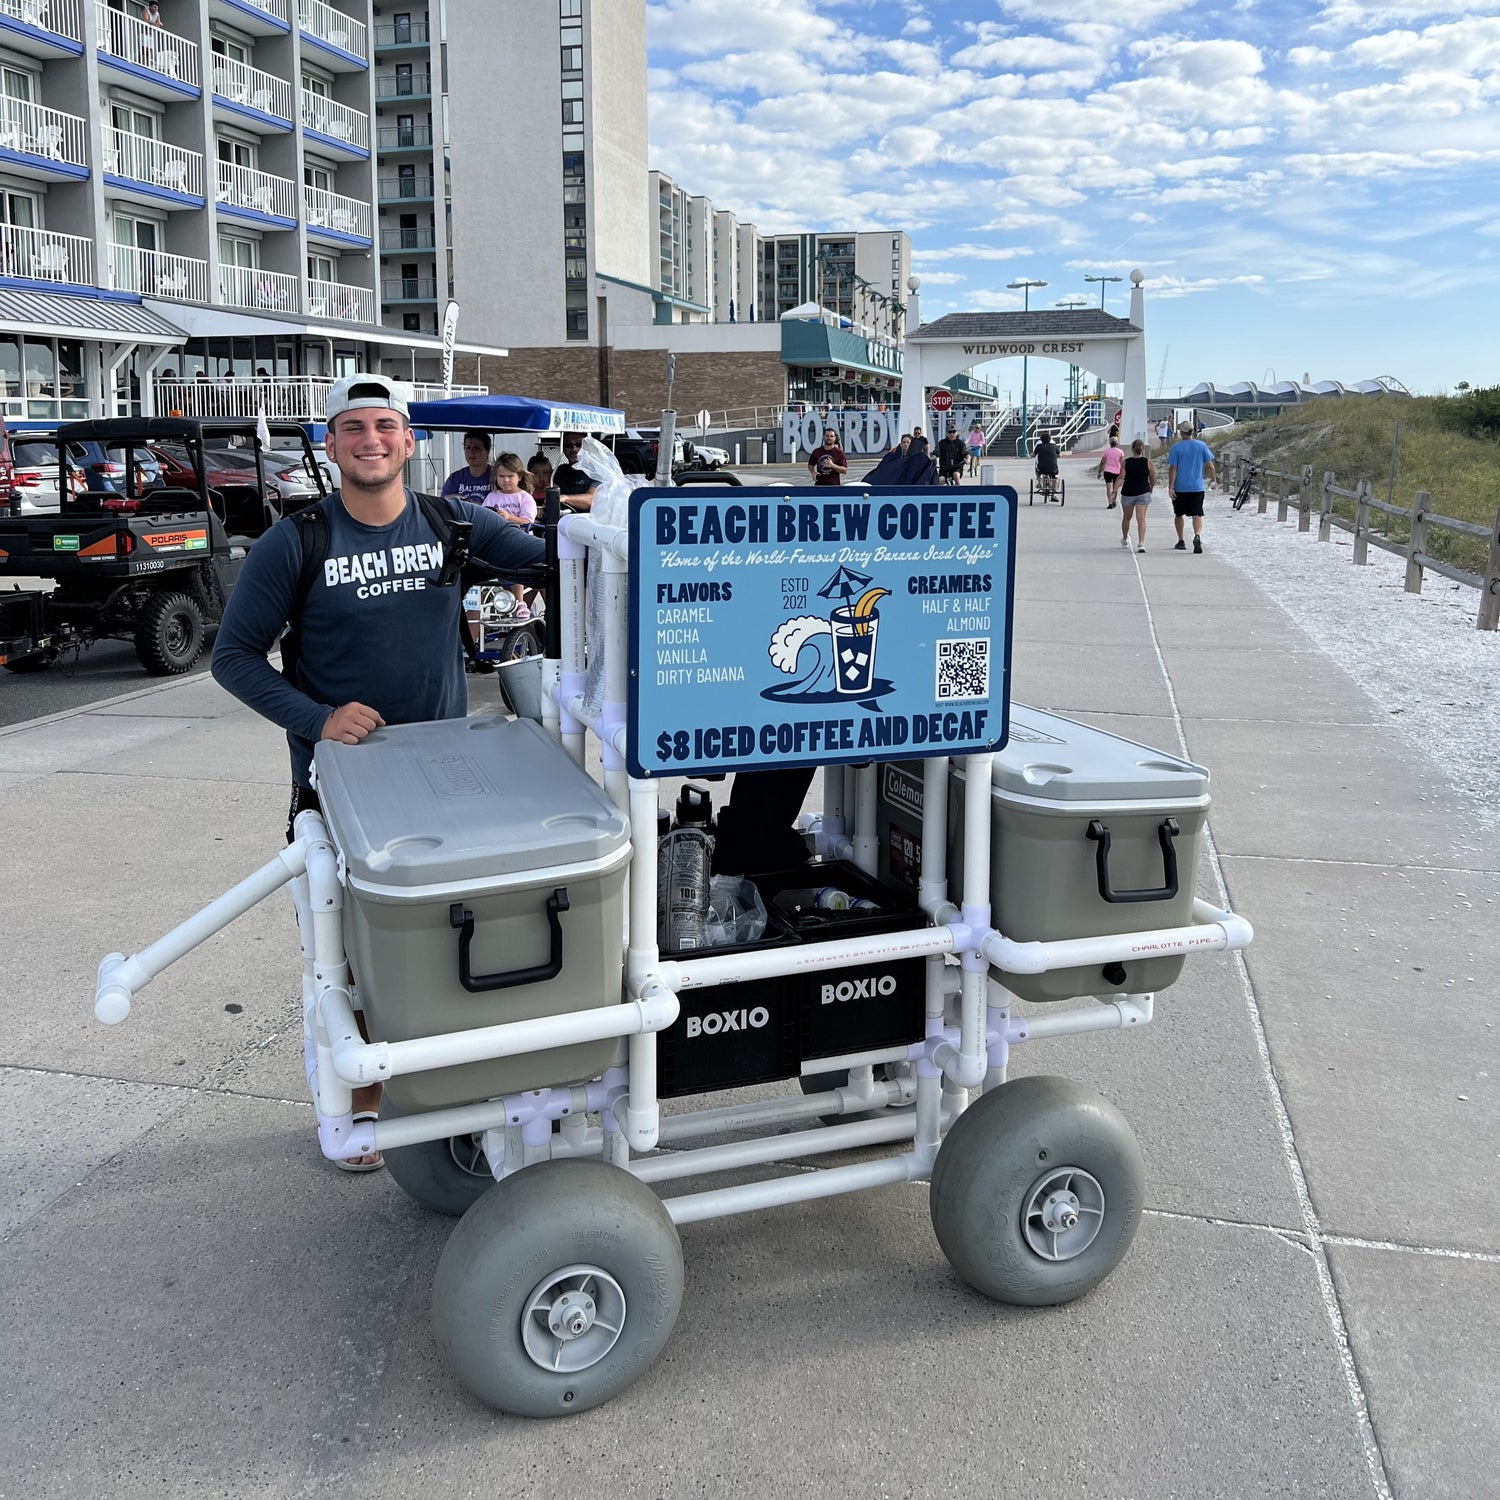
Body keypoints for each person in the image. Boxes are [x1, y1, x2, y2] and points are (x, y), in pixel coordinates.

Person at [211, 374, 545, 1172]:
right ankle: (357, 1103)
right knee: (345, 961)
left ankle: (452, 1092)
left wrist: (612, 526)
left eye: (385, 426)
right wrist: (316, 719)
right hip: (340, 795)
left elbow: (558, 562)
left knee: (446, 948)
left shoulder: (452, 524)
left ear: (409, 441)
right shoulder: (295, 541)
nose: (371, 440)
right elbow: (231, 657)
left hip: (445, 788)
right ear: (332, 446)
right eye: (353, 428)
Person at [481, 452, 538, 619]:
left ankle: (520, 601)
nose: (505, 480)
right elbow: (484, 515)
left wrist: (509, 517)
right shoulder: (492, 497)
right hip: (497, 541)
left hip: (522, 539)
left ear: (519, 477)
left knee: (515, 556)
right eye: (501, 476)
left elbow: (528, 520)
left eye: (510, 476)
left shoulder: (525, 497)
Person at [1167, 421, 1216, 552]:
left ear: (1181, 432)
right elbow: (1210, 464)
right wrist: (1214, 479)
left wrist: (1170, 486)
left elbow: (1173, 468)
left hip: (1180, 487)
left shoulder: (1176, 448)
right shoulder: (1201, 445)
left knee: (1178, 514)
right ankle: (1197, 535)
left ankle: (1181, 540)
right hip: (1197, 487)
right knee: (1197, 514)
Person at [1118, 439, 1154, 552]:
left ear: (1132, 448)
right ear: (1143, 449)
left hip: (1128, 492)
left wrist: (1114, 491)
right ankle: (1141, 543)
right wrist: (1151, 488)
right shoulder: (1148, 462)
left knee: (1127, 518)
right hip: (1143, 491)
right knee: (1141, 518)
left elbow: (1121, 477)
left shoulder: (1126, 462)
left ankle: (1125, 539)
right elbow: (1153, 478)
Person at [441, 429, 492, 503]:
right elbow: (442, 503)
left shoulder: (497, 476)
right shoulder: (455, 478)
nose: (471, 452)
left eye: (476, 448)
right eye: (468, 448)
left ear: (487, 451)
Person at [1095, 433, 1124, 508]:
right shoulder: (1120, 452)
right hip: (1117, 471)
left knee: (1108, 487)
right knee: (1115, 487)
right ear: (1117, 443)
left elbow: (1103, 462)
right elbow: (1122, 463)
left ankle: (1110, 502)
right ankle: (1114, 501)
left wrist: (1099, 471)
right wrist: (1123, 471)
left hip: (1107, 471)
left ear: (1110, 443)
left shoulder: (1106, 451)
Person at [1033, 430, 1059, 497]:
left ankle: (1039, 481)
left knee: (1036, 470)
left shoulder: (1039, 446)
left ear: (1041, 440)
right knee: (1054, 476)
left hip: (1041, 468)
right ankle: (1053, 491)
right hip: (1053, 468)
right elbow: (1059, 453)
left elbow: (1034, 454)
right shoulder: (1053, 445)